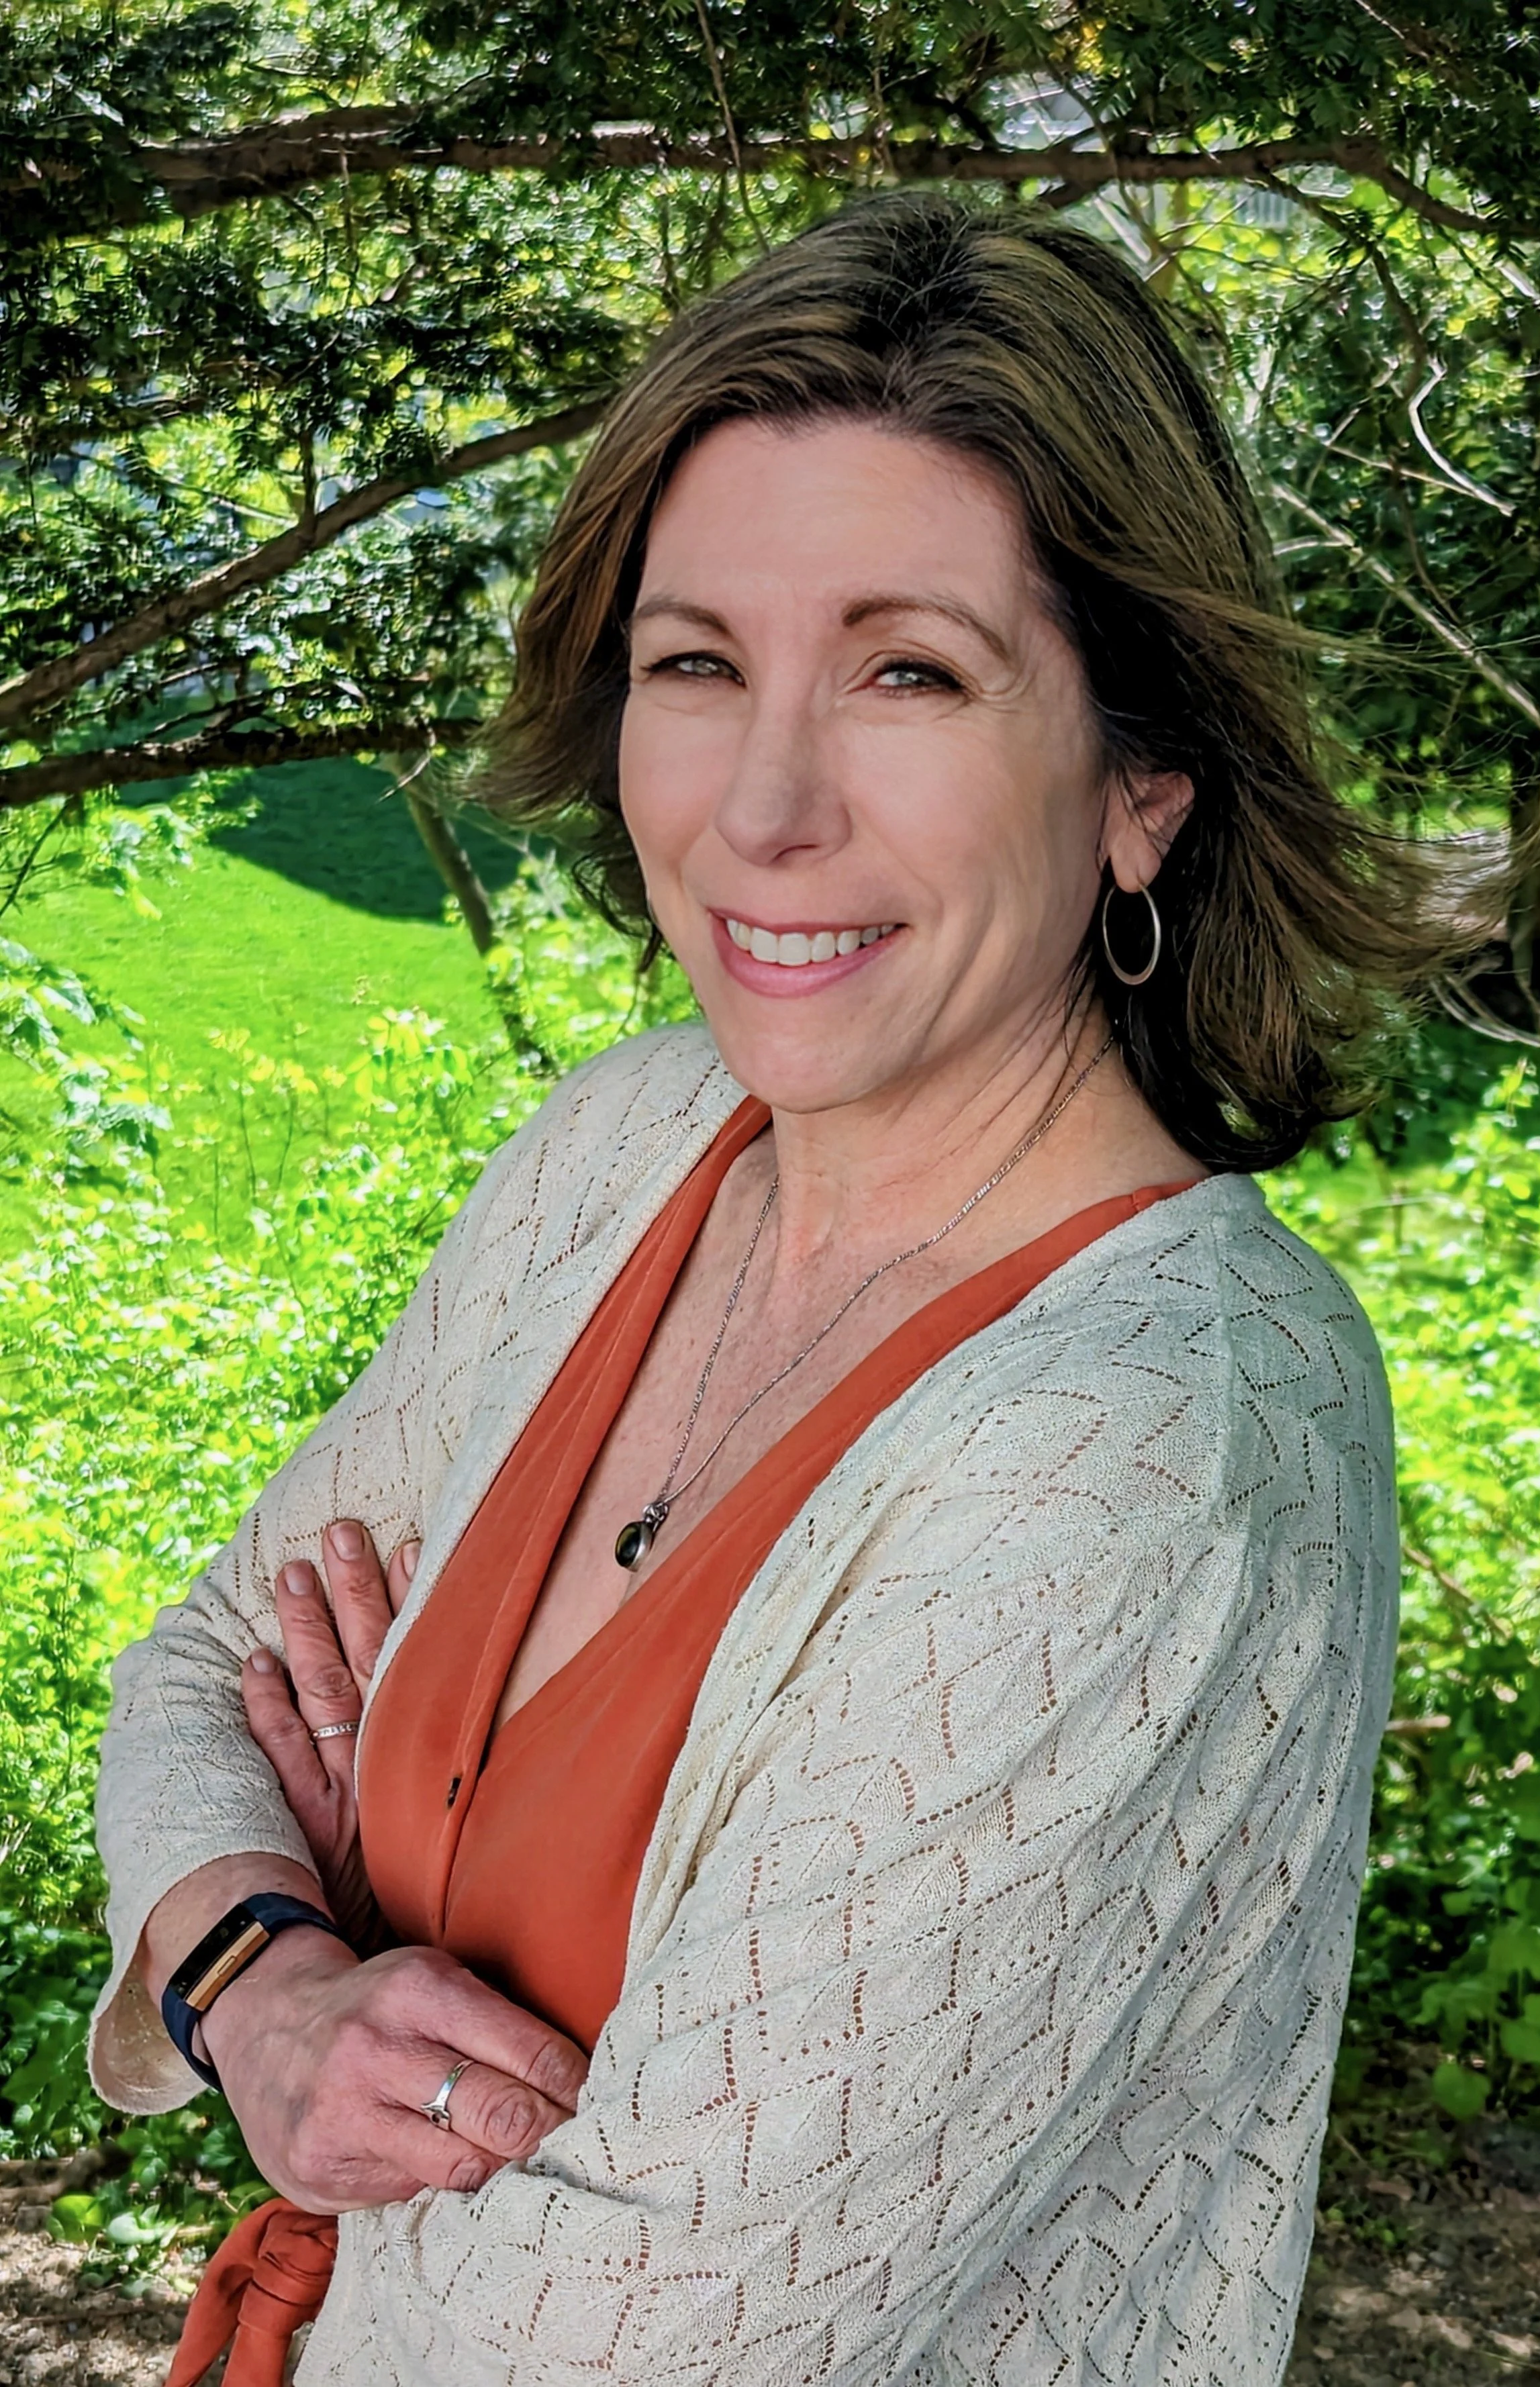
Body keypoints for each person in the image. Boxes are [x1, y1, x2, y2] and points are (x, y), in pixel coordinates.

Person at [92, 192, 1451, 2386]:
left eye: (910, 669)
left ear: (1142, 784)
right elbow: (185, 1689)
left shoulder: (1153, 1447)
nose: (766, 805)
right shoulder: (631, 1147)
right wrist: (266, 1967)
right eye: (698, 664)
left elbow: (619, 2334)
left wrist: (354, 1876)